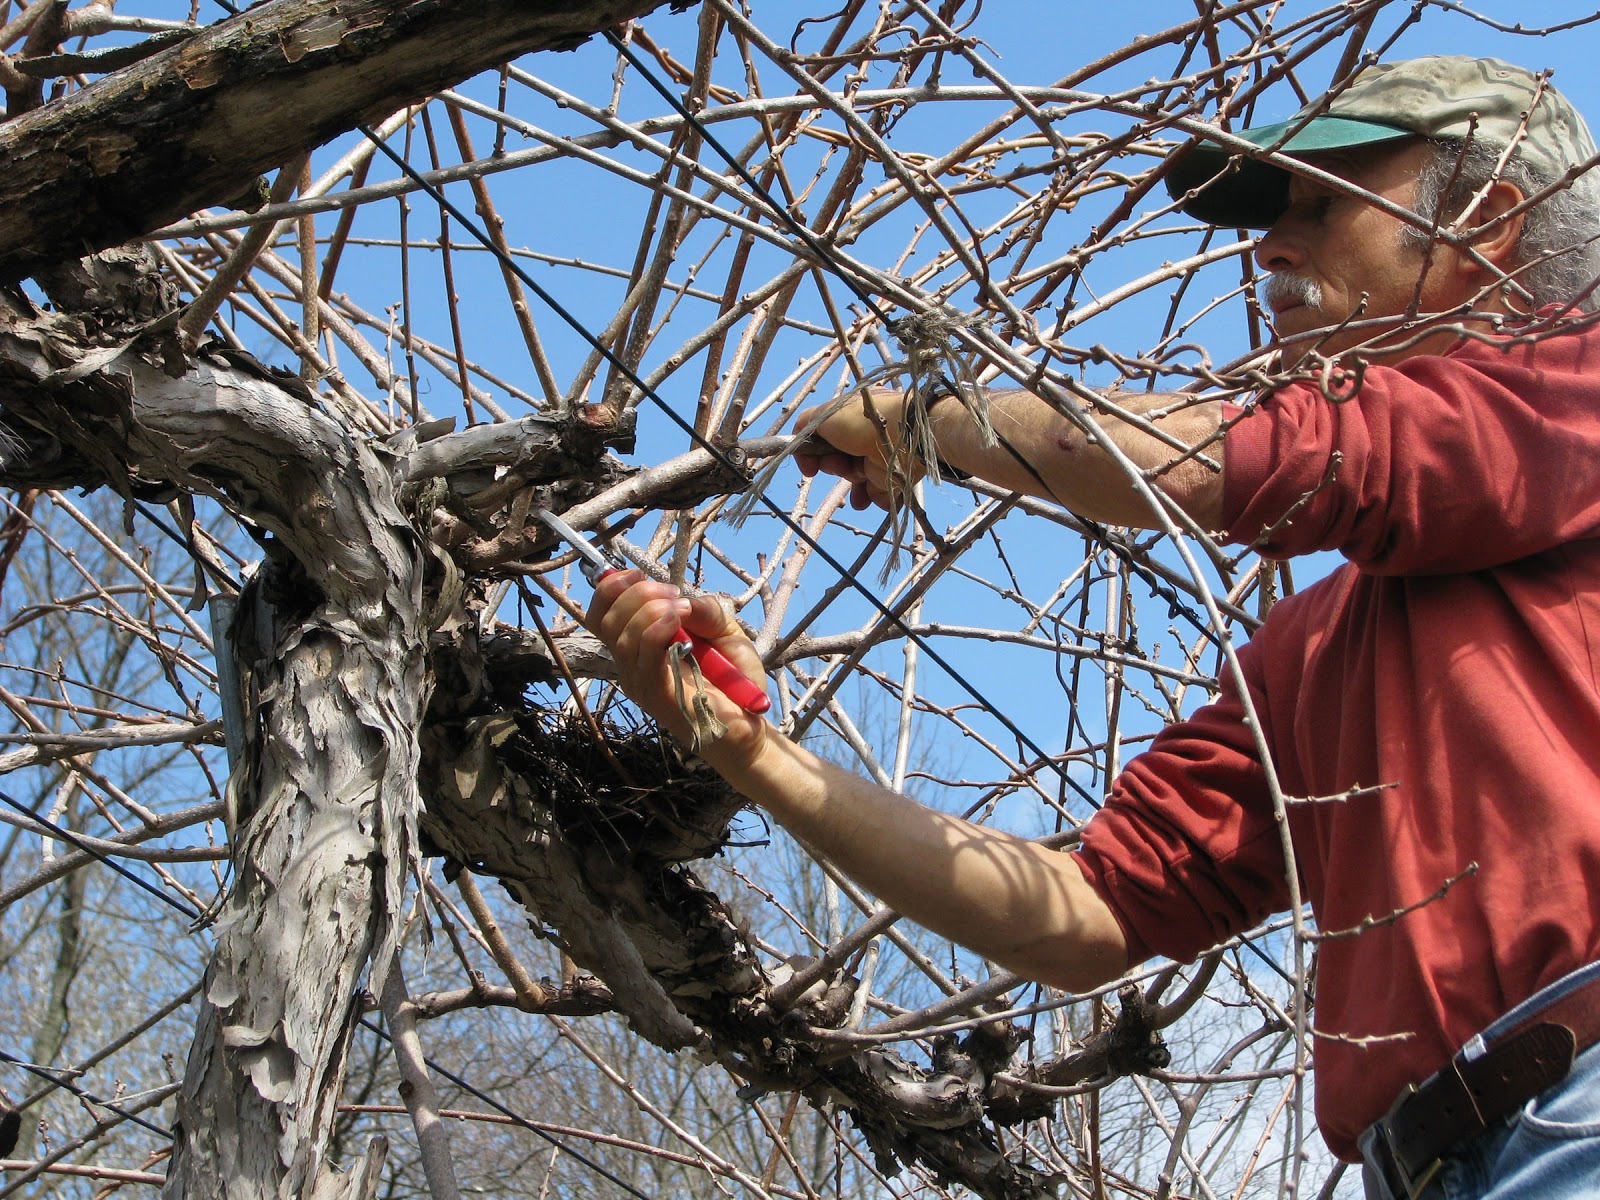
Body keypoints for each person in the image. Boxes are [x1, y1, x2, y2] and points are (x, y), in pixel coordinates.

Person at [588, 56, 1600, 1199]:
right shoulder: (1315, 650)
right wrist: (750, 754)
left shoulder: (1583, 406)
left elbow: (1249, 459)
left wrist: (924, 424)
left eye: (1319, 203)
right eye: (1270, 215)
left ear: (1485, 220)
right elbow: (1084, 915)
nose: (1270, 246)